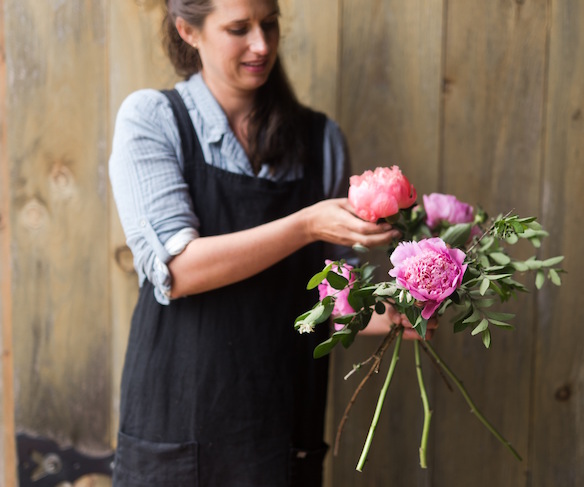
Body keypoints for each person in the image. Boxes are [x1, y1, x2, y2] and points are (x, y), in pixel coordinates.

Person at [109, 0, 428, 485]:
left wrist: (402, 306)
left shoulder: (320, 139)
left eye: (270, 25)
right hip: (179, 421)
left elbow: (331, 290)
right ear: (188, 32)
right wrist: (304, 226)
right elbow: (178, 271)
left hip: (281, 423)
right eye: (238, 29)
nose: (262, 45)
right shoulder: (154, 120)